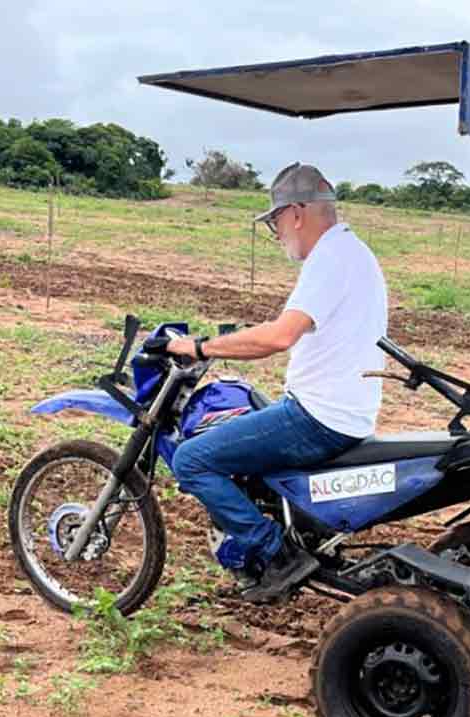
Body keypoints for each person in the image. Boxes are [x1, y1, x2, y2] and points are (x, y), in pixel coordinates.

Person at [166, 162, 389, 603]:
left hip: (318, 417)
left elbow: (279, 336)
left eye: (275, 221)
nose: (277, 233)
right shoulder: (354, 252)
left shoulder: (329, 259)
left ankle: (276, 554)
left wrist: (204, 347)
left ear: (297, 213)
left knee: (191, 460)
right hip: (346, 410)